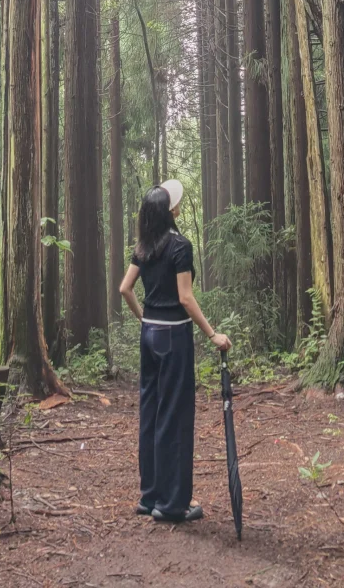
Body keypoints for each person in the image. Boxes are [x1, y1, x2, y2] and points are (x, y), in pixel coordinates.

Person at [119, 179, 232, 523]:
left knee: (151, 413)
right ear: (168, 212)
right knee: (175, 416)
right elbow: (185, 297)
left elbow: (125, 288)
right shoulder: (179, 246)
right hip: (174, 338)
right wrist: (213, 333)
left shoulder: (143, 247)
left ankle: (150, 496)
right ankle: (172, 505)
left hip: (150, 336)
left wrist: (145, 319)